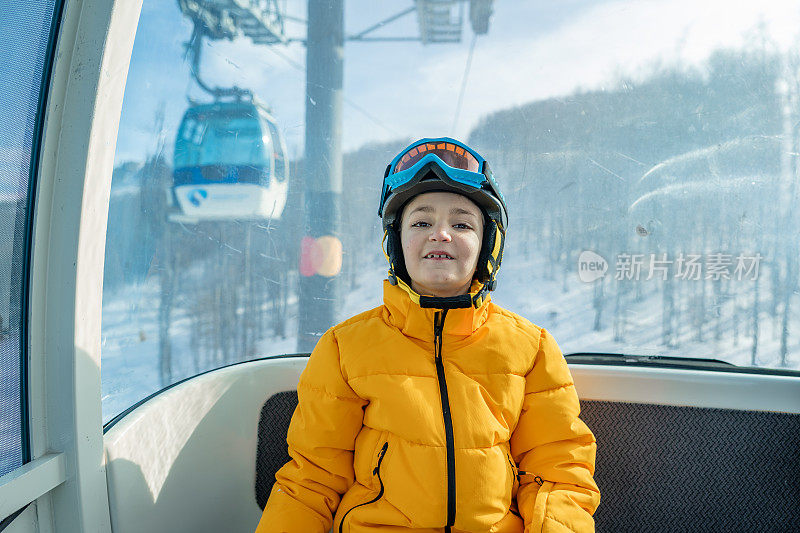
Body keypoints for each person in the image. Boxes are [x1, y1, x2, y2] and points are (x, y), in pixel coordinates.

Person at [256, 138, 600, 532]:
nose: (441, 234)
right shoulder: (345, 347)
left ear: (488, 244)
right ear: (396, 242)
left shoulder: (530, 347)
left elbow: (558, 472)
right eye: (421, 222)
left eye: (462, 223)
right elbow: (311, 480)